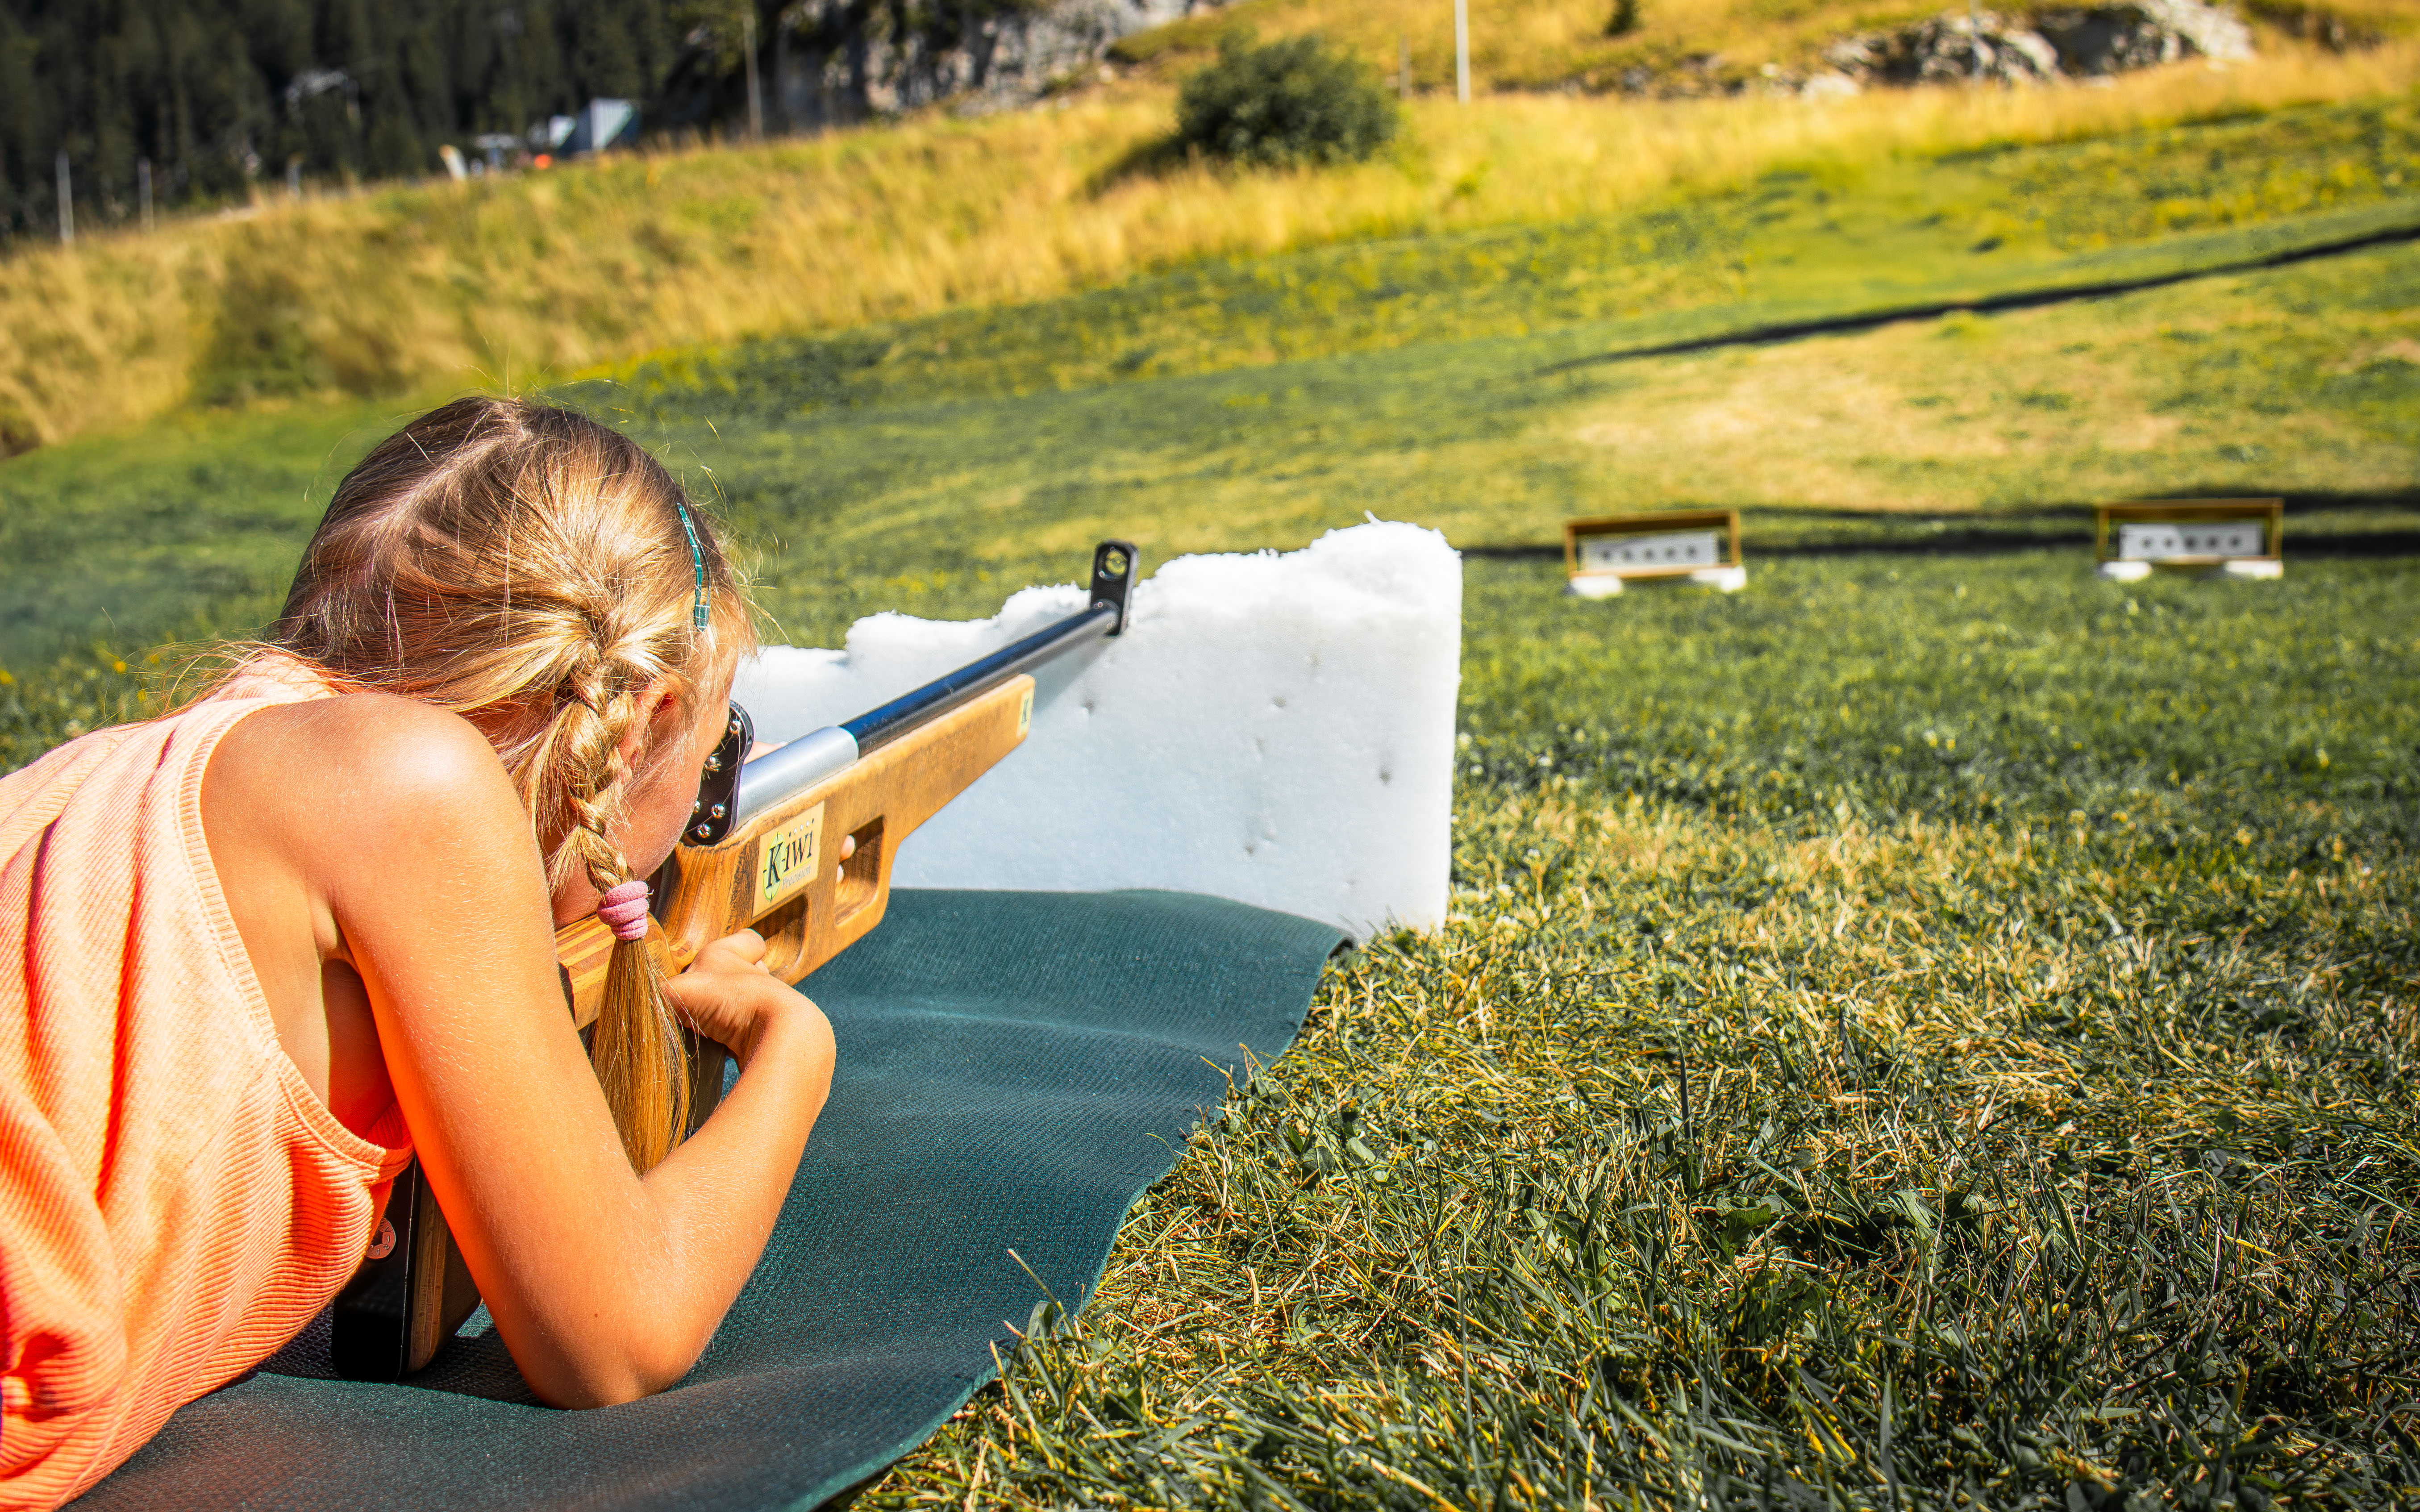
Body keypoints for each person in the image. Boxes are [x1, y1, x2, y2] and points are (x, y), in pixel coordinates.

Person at [0, 397, 836, 1508]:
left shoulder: (102, 776)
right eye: (717, 744)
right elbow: (617, 1337)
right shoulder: (413, 784)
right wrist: (793, 1048)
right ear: (642, 721)